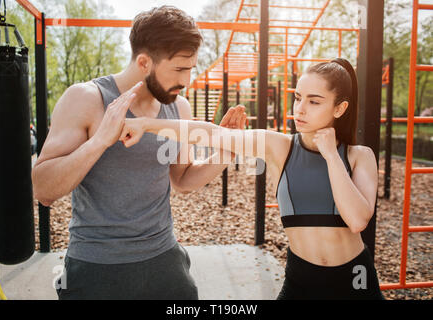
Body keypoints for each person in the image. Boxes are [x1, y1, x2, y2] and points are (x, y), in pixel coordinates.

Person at [120, 58, 385, 300]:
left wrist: (331, 156)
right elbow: (209, 133)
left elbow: (358, 220)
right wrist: (145, 124)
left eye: (314, 101)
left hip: (355, 280)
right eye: (298, 97)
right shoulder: (279, 147)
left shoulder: (360, 156)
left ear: (340, 108)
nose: (300, 109)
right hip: (301, 280)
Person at [31, 6, 246, 300]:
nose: (187, 80)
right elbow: (43, 189)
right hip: (96, 263)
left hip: (163, 256)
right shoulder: (86, 99)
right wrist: (99, 142)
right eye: (180, 69)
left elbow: (182, 179)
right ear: (144, 62)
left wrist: (226, 150)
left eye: (191, 68)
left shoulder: (177, 107)